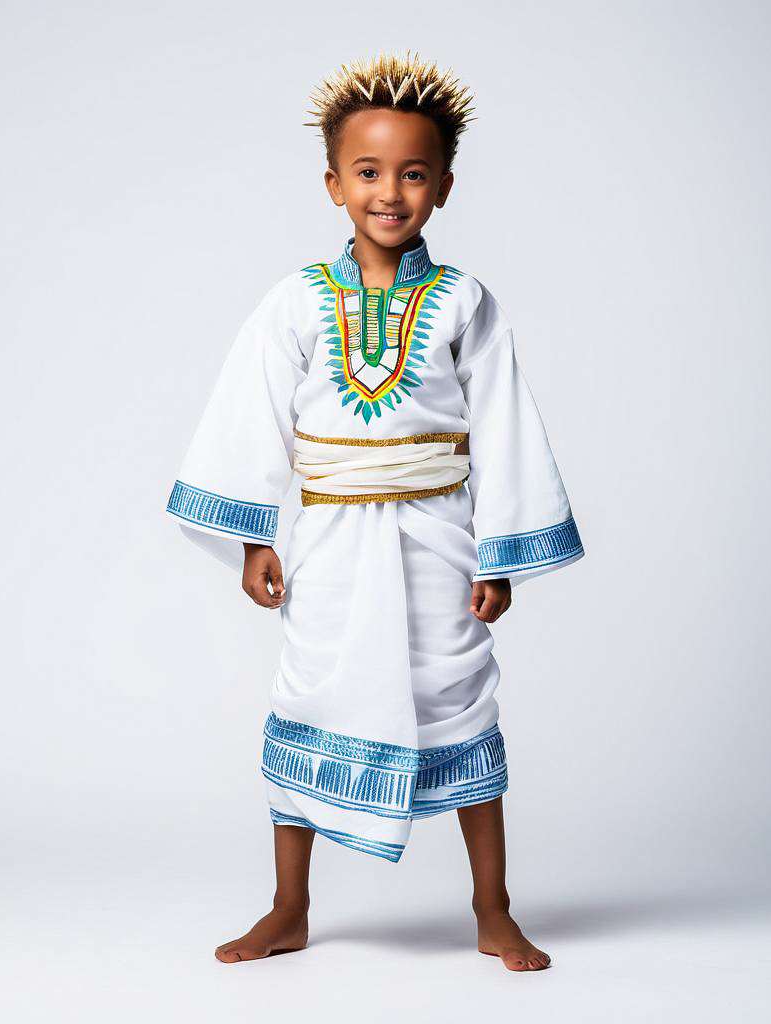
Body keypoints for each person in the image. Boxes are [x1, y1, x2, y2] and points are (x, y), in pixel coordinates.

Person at [166, 51, 584, 971]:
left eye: (412, 172)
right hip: (326, 540)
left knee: (460, 695)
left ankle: (493, 908)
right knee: (308, 688)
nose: (389, 191)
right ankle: (288, 907)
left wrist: (499, 556)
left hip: (439, 534)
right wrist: (251, 538)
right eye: (367, 171)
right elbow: (250, 416)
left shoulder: (465, 302)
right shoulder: (294, 305)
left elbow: (507, 427)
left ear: (441, 185)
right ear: (332, 183)